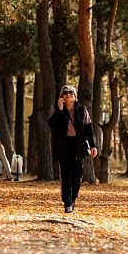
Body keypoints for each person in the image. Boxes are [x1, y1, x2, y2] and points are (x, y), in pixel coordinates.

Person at [48, 85, 97, 213]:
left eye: (71, 92)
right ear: (61, 97)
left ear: (75, 97)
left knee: (77, 176)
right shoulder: (57, 109)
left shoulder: (82, 110)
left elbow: (88, 129)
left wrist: (93, 146)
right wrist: (59, 110)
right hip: (63, 145)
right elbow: (51, 124)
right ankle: (67, 202)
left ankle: (73, 198)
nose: (68, 94)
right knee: (66, 176)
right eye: (65, 93)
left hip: (78, 146)